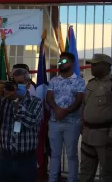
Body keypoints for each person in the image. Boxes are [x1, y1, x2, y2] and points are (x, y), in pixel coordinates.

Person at [79, 53, 112, 182]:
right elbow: (84, 106)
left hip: (106, 137)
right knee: (85, 172)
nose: (92, 67)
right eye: (92, 64)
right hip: (88, 136)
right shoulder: (90, 84)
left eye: (96, 64)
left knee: (107, 175)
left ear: (107, 66)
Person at [0, 71, 43, 182]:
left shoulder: (36, 102)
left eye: (20, 83)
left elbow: (31, 121)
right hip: (5, 157)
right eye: (13, 83)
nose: (16, 86)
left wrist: (16, 100)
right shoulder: (4, 101)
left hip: (26, 159)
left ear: (28, 84)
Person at [46, 52, 85, 182]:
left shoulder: (79, 81)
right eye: (60, 61)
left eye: (65, 61)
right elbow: (49, 98)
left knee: (72, 155)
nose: (61, 64)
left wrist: (66, 111)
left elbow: (79, 100)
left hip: (72, 123)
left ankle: (72, 180)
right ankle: (52, 179)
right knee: (55, 154)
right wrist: (57, 110)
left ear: (72, 63)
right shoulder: (53, 80)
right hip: (55, 122)